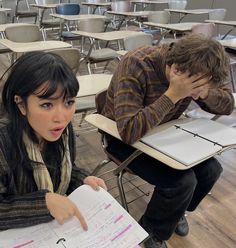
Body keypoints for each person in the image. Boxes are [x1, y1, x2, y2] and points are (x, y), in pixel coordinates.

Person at [102, 34, 234, 248]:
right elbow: (128, 130)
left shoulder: (198, 68)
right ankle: (151, 229)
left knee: (211, 171)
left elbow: (227, 105)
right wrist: (173, 95)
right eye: (197, 84)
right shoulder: (137, 64)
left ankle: (175, 212)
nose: (197, 90)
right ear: (176, 71)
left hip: (163, 133)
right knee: (181, 182)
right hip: (122, 139)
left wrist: (205, 92)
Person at [0, 51, 107, 231]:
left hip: (53, 231)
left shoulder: (62, 131)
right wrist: (43, 204)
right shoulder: (4, 141)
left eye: (69, 102)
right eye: (47, 105)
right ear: (21, 104)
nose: (61, 118)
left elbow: (64, 169)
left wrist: (82, 180)